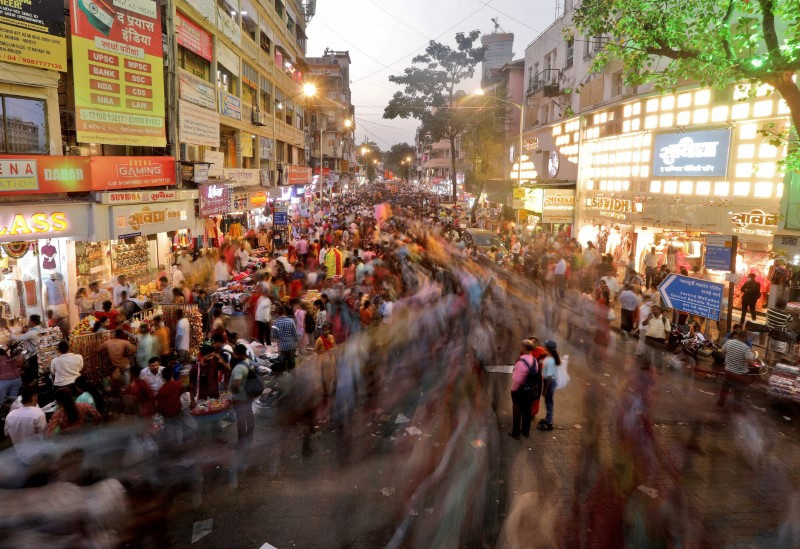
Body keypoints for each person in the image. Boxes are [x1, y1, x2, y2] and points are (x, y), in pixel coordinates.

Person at [4, 385, 46, 465]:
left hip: (20, 455)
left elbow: (6, 433)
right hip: (37, 457)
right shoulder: (38, 413)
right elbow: (43, 436)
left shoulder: (10, 415)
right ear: (35, 397)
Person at [717, 329, 755, 410]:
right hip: (739, 374)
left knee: (725, 387)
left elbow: (723, 351)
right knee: (738, 390)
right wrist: (753, 361)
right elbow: (750, 362)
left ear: (738, 336)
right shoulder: (746, 348)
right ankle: (736, 407)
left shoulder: (729, 342)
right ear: (745, 337)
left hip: (728, 370)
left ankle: (721, 402)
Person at [509, 340, 539, 440]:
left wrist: (513, 390)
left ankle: (516, 433)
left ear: (523, 348)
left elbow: (517, 379)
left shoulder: (521, 362)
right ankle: (526, 431)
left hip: (520, 390)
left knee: (517, 410)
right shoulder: (535, 360)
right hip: (530, 390)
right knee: (527, 410)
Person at [229, 344, 256, 447]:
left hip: (241, 397)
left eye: (234, 353)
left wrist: (234, 393)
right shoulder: (249, 362)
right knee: (249, 414)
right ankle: (250, 436)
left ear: (237, 354)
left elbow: (236, 384)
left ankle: (240, 443)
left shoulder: (239, 368)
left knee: (240, 420)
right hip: (249, 394)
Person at [640, 305, 671, 370]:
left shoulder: (665, 319)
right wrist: (648, 317)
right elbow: (643, 324)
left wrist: (666, 341)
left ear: (659, 310)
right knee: (647, 353)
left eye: (655, 310)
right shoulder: (651, 318)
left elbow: (668, 331)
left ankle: (659, 368)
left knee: (658, 355)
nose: (653, 311)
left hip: (659, 340)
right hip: (649, 338)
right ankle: (646, 365)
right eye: (652, 310)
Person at [539, 340, 561, 431]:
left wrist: (545, 389)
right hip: (552, 382)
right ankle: (548, 418)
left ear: (548, 348)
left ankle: (549, 422)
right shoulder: (552, 357)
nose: (543, 347)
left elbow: (548, 378)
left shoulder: (550, 361)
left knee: (549, 402)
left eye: (545, 346)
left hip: (550, 383)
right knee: (549, 402)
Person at [272, 304, 299, 370]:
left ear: (277, 313)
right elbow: (295, 335)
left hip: (282, 348)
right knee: (292, 366)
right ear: (284, 312)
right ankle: (292, 378)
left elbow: (273, 335)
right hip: (291, 346)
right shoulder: (291, 321)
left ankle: (284, 379)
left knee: (282, 366)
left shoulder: (275, 323)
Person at [314, 323, 337, 397]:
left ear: (329, 330)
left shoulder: (332, 337)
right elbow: (315, 350)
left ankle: (333, 388)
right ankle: (325, 390)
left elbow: (334, 347)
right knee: (323, 375)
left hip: (331, 358)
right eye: (323, 330)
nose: (325, 332)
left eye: (326, 330)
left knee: (333, 374)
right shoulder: (319, 340)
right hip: (322, 359)